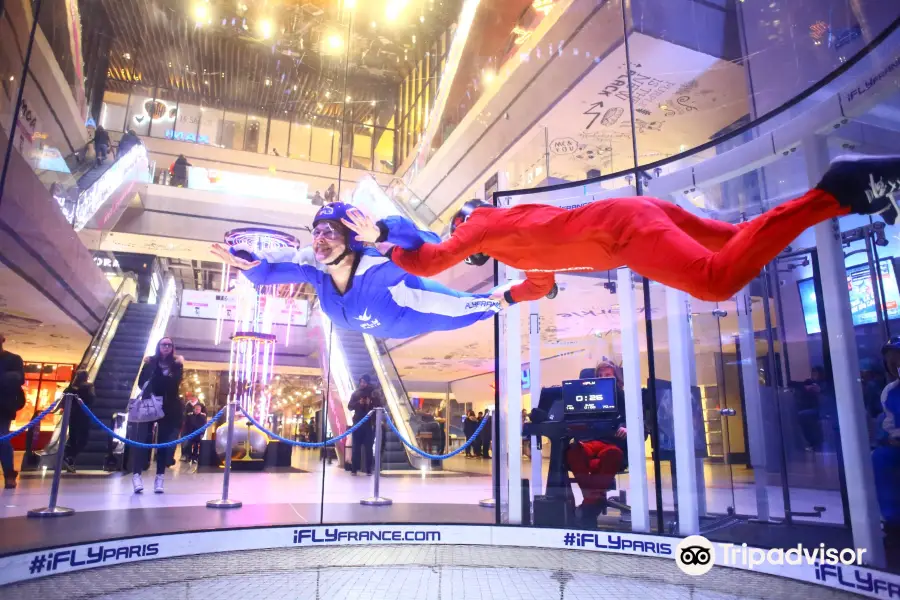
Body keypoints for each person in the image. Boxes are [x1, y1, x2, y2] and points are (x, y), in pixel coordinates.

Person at [344, 155, 900, 305]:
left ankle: (837, 190)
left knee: (713, 281)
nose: (461, 245)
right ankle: (860, 197)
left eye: (457, 231)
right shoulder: (515, 248)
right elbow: (535, 284)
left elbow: (433, 258)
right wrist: (499, 303)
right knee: (734, 241)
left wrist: (386, 243)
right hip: (633, 213)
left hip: (626, 232)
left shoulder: (484, 222)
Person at [210, 202, 501, 340]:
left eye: (330, 231)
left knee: (481, 307)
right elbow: (268, 268)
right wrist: (242, 257)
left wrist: (382, 232)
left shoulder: (378, 263)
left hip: (412, 312)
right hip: (375, 322)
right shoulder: (314, 265)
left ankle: (502, 269)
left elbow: (427, 244)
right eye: (316, 232)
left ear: (351, 238)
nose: (320, 239)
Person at [566, 364, 628, 524]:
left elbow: (635, 419)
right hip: (588, 442)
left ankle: (588, 504)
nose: (604, 378)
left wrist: (627, 427)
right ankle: (593, 500)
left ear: (616, 377)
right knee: (573, 452)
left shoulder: (623, 396)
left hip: (611, 442)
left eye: (608, 375)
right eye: (600, 376)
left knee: (612, 455)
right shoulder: (586, 397)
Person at [131, 337, 184, 494]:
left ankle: (159, 477)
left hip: (168, 407)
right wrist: (163, 379)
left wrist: (159, 380)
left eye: (169, 345)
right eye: (163, 344)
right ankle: (136, 475)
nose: (166, 347)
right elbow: (141, 382)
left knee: (163, 443)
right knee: (142, 440)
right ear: (158, 346)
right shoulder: (150, 362)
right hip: (149, 403)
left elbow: (174, 384)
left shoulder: (177, 364)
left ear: (172, 347)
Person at [873, 337, 900, 565]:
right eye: (891, 359)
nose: (895, 363)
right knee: (880, 458)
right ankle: (893, 524)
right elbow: (888, 425)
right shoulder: (889, 392)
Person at [0, 335, 24, 489]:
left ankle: (9, 474)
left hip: (3, 406)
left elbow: (18, 378)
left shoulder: (13, 359)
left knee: (2, 439)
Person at [348, 375, 382, 475]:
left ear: (367, 382)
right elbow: (350, 407)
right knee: (356, 447)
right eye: (361, 382)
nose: (362, 384)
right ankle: (354, 469)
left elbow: (379, 406)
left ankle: (368, 469)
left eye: (364, 382)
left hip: (369, 423)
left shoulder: (373, 393)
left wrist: (370, 403)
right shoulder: (356, 393)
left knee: (368, 448)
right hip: (358, 422)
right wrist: (359, 403)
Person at [63, 371, 95, 473]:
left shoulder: (70, 388)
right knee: (83, 440)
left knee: (73, 438)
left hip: (72, 415)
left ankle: (68, 456)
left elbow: (64, 401)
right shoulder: (88, 387)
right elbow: (92, 400)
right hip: (84, 416)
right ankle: (69, 457)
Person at [181, 393, 206, 462]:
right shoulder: (189, 414)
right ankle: (187, 456)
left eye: (199, 409)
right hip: (190, 432)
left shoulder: (202, 416)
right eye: (196, 409)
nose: (197, 410)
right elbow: (187, 424)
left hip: (197, 433)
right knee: (188, 445)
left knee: (196, 446)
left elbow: (204, 425)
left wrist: (202, 433)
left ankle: (194, 458)